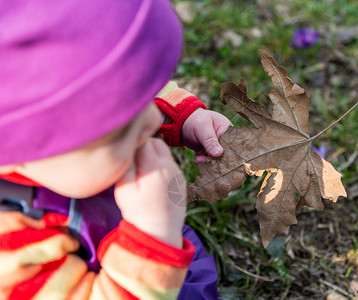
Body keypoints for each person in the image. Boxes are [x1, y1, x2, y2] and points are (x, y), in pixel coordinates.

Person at [0, 0, 231, 299]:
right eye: (120, 131)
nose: (150, 121)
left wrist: (181, 115)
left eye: (143, 101)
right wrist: (154, 237)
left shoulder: (51, 140)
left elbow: (123, 83)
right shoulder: (12, 251)